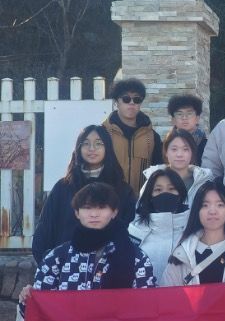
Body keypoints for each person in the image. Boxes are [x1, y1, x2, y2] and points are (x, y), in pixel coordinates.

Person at [21, 182, 154, 306]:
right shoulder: (57, 257)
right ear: (77, 213)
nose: (94, 214)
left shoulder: (137, 257)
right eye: (87, 208)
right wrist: (27, 300)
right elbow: (40, 311)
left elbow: (147, 306)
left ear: (114, 212)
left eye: (102, 207)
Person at [31, 125, 135, 265]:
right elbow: (45, 229)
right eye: (86, 143)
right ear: (78, 148)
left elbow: (129, 231)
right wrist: (49, 265)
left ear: (108, 148)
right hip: (65, 267)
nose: (92, 148)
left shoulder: (121, 189)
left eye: (98, 143)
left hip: (109, 268)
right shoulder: (63, 187)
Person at [161, 182, 225, 286]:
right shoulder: (182, 254)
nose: (212, 211)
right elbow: (167, 293)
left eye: (220, 205)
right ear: (197, 211)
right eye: (205, 205)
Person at [102, 78, 163, 195]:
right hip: (109, 201)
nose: (131, 103)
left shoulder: (152, 137)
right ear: (116, 102)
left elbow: (158, 171)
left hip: (142, 201)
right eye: (126, 99)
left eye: (136, 99)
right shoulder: (103, 133)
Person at [128, 168, 190, 281]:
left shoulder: (192, 229)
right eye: (158, 190)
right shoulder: (135, 232)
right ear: (150, 195)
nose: (165, 194)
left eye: (171, 189)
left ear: (180, 193)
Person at [139, 129, 213, 206]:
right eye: (174, 149)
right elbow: (141, 209)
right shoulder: (154, 179)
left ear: (192, 152)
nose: (179, 154)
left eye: (185, 149)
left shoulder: (203, 180)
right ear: (166, 152)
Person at [167, 94, 208, 165]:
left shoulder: (207, 146)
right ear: (173, 120)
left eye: (189, 114)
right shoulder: (166, 144)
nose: (184, 118)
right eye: (180, 114)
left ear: (197, 118)